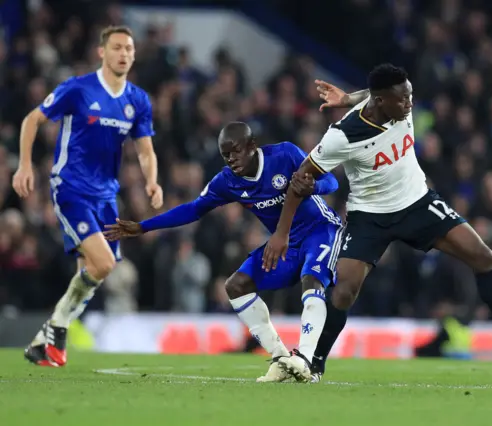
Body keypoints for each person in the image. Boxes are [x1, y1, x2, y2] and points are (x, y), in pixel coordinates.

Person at [263, 64, 492, 375]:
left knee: (483, 256)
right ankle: (315, 364)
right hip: (370, 216)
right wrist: (281, 234)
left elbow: (372, 95)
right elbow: (300, 180)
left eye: (410, 96)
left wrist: (349, 97)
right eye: (402, 100)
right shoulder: (341, 136)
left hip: (417, 202)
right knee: (344, 289)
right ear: (380, 102)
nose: (409, 105)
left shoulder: (394, 104)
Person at [105, 122, 343, 383]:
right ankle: (281, 360)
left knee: (312, 280)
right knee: (237, 286)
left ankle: (306, 360)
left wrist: (313, 188)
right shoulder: (227, 182)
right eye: (225, 154)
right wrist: (143, 226)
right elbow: (194, 209)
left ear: (253, 146)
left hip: (321, 229)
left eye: (236, 151)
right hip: (284, 243)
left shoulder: (285, 155)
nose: (231, 159)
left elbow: (330, 181)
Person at [13, 26, 163, 367]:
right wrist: (24, 166)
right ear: (102, 52)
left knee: (95, 271)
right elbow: (31, 120)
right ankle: (58, 332)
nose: (123, 53)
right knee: (104, 263)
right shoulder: (78, 89)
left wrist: (151, 182)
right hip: (71, 188)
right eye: (116, 47)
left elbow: (145, 150)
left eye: (129, 48)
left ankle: (44, 342)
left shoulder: (137, 100)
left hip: (107, 195)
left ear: (134, 55)